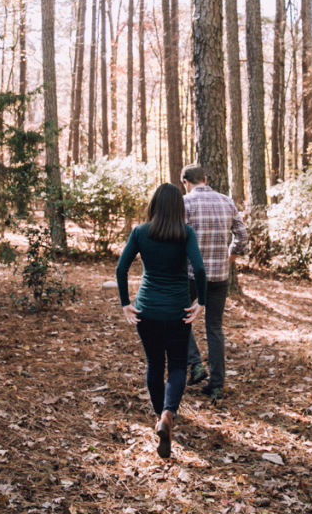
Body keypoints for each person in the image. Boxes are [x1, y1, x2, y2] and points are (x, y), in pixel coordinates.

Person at [116, 183, 206, 459]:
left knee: (155, 364)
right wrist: (200, 302)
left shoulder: (141, 232)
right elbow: (200, 269)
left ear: (154, 204)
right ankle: (169, 414)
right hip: (177, 311)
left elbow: (121, 269)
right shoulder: (185, 233)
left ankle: (159, 417)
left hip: (147, 311)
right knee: (178, 365)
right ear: (178, 208)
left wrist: (125, 304)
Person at [181, 164, 247, 400]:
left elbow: (177, 237)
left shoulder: (185, 202)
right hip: (220, 276)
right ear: (205, 179)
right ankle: (217, 385)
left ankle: (195, 364)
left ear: (185, 182)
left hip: (190, 275)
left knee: (179, 317)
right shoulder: (226, 201)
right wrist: (229, 258)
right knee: (215, 328)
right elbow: (242, 235)